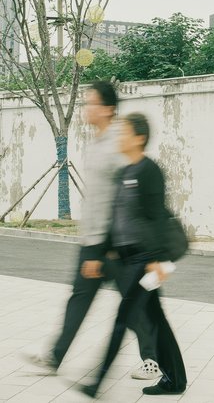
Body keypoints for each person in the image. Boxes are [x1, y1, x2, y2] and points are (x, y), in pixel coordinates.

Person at [27, 81, 160, 381]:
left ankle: (153, 359)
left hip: (114, 242)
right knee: (80, 297)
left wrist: (108, 246)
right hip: (93, 238)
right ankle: (56, 356)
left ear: (108, 109)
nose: (86, 108)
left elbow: (124, 195)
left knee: (131, 300)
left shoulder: (118, 142)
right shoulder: (96, 141)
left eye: (92, 103)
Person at [79, 112, 187, 398]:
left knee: (122, 319)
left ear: (139, 138)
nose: (120, 137)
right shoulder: (124, 172)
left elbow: (155, 217)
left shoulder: (149, 171)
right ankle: (175, 381)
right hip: (128, 260)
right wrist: (100, 255)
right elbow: (115, 221)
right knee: (157, 321)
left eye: (124, 133)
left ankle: (96, 383)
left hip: (144, 261)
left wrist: (156, 259)